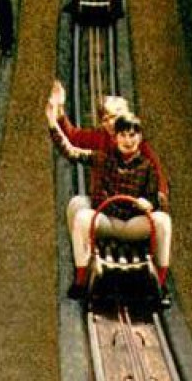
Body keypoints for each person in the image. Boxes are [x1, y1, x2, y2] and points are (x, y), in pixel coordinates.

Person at [46, 101, 172, 301]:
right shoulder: (103, 158)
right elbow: (71, 151)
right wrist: (53, 123)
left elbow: (156, 195)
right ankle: (81, 279)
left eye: (132, 136)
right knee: (81, 217)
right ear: (115, 139)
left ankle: (161, 284)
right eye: (122, 135)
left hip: (133, 223)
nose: (128, 141)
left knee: (163, 222)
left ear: (139, 138)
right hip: (108, 218)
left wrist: (149, 203)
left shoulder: (147, 166)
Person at [47, 80, 169, 212]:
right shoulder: (100, 139)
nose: (111, 123)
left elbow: (158, 175)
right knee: (77, 206)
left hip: (132, 208)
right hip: (106, 206)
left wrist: (157, 200)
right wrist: (58, 112)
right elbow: (73, 139)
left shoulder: (140, 147)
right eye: (106, 119)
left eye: (114, 117)